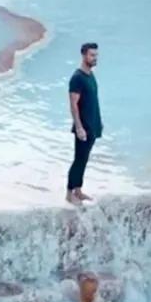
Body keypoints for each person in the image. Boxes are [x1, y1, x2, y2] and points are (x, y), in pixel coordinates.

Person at [66, 42, 102, 206]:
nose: (95, 58)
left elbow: (93, 101)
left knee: (84, 159)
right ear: (84, 55)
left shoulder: (91, 75)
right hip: (83, 128)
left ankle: (78, 191)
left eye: (96, 55)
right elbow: (73, 105)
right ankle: (69, 193)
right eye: (92, 55)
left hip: (92, 126)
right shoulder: (77, 78)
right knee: (78, 160)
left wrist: (99, 123)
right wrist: (79, 127)